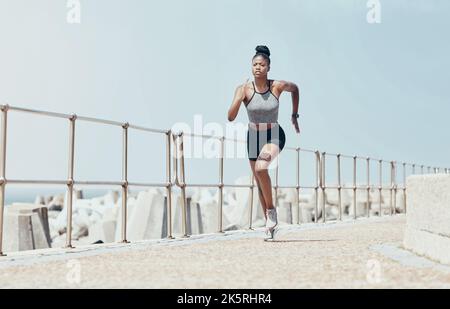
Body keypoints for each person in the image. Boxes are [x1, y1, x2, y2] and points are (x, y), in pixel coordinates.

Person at [227, 45, 300, 239]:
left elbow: (295, 89)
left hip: (274, 134)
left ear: (268, 67)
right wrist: (239, 97)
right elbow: (231, 116)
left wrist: (294, 114)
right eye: (255, 64)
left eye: (262, 64)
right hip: (253, 137)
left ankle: (271, 212)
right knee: (259, 183)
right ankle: (270, 226)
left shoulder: (277, 86)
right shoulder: (243, 89)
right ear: (251, 67)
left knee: (260, 169)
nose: (258, 67)